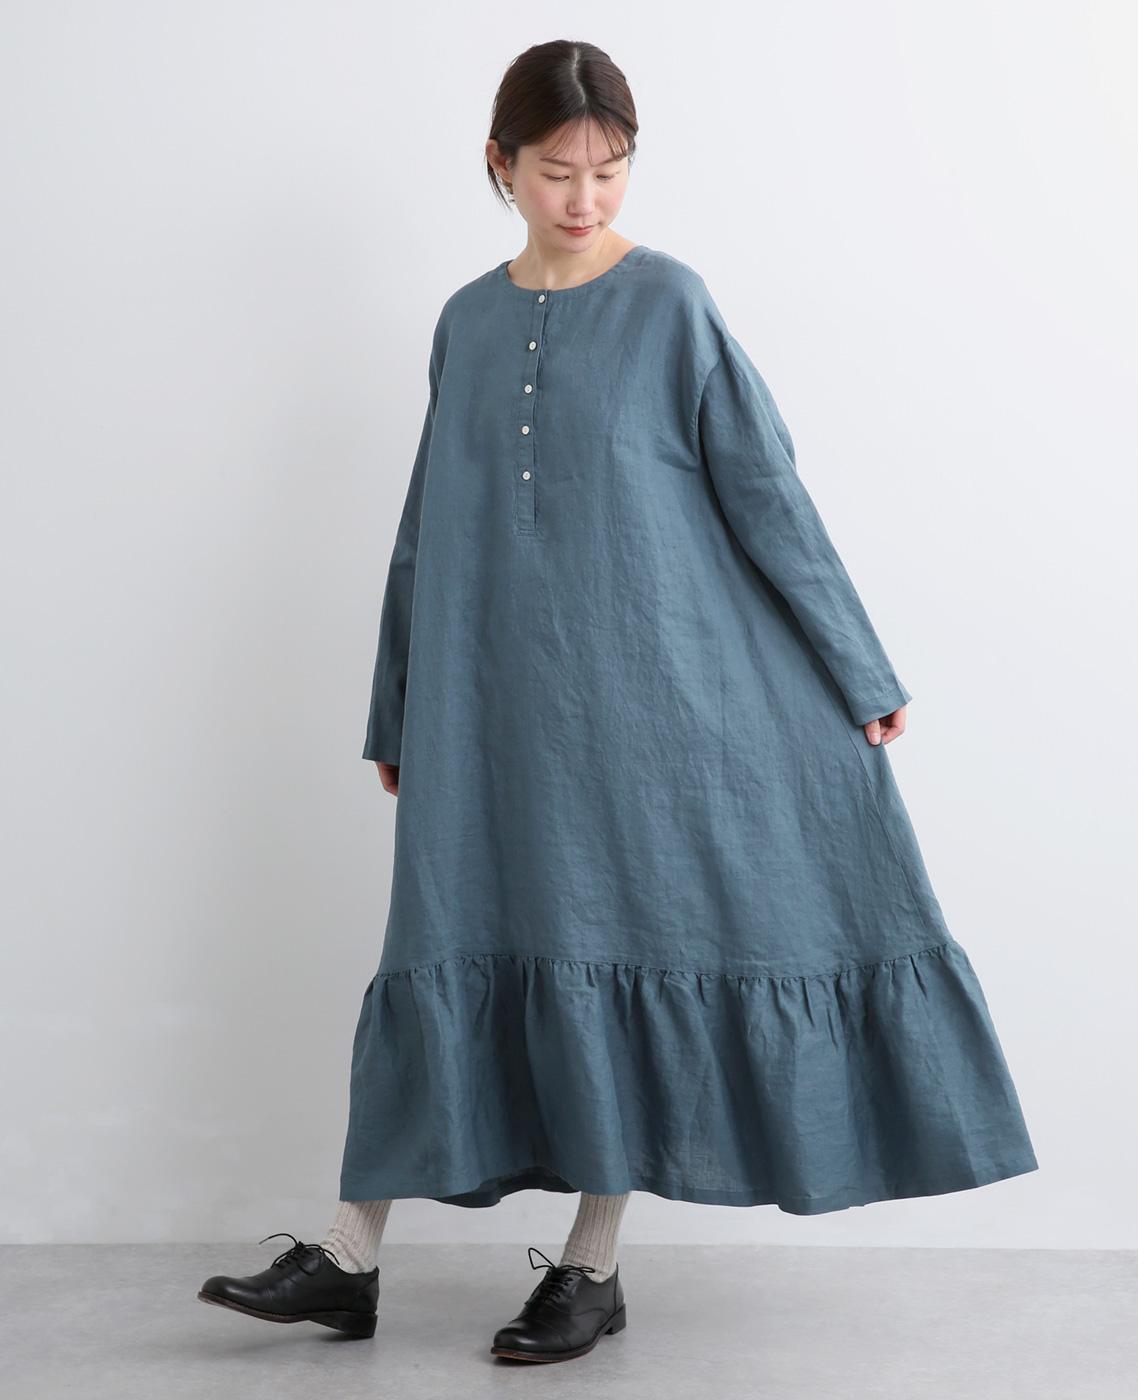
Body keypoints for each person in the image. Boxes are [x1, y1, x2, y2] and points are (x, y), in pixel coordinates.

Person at [198, 39, 1038, 1364]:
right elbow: (427, 526)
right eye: (557, 171)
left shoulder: (672, 305)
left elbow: (765, 491)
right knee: (441, 938)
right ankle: (349, 1260)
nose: (585, 197)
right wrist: (396, 703)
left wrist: (857, 668)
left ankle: (589, 1267)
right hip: (485, 711)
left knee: (616, 949)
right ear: (500, 166)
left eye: (610, 169)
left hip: (644, 710)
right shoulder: (466, 323)